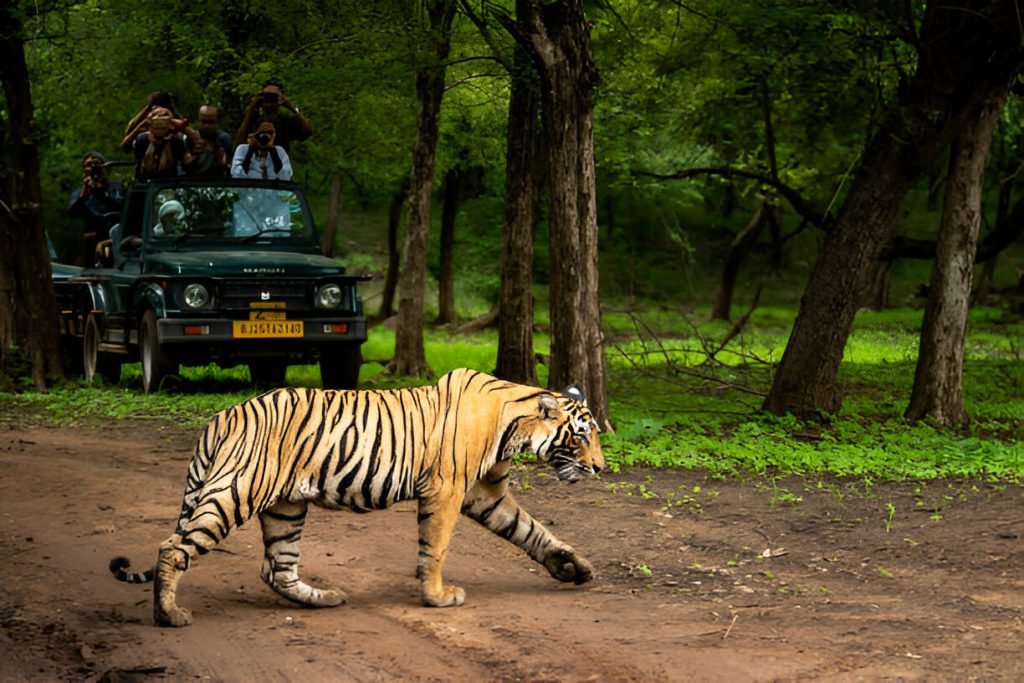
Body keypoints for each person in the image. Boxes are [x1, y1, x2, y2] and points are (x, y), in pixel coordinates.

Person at [68, 151, 125, 265]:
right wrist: (85, 192)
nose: (93, 168)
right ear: (83, 170)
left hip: (117, 239)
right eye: (89, 165)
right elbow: (73, 213)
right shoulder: (80, 193)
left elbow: (121, 205)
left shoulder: (117, 187)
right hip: (93, 243)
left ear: (105, 167)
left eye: (96, 164)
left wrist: (100, 190)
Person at [234, 82, 312, 153]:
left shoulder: (284, 121)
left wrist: (291, 107)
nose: (270, 103)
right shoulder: (252, 119)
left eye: (274, 97)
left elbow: (307, 131)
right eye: (267, 96)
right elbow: (238, 143)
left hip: (279, 164)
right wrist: (252, 107)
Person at [133, 107, 192, 180]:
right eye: (156, 128)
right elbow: (138, 161)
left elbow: (185, 162)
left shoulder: (176, 141)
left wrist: (178, 124)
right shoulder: (142, 140)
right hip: (144, 181)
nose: (160, 131)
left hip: (170, 182)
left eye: (163, 128)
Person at [186, 104, 233, 177]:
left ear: (217, 122)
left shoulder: (224, 139)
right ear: (198, 120)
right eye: (204, 122)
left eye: (211, 122)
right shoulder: (190, 139)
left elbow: (228, 167)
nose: (207, 126)